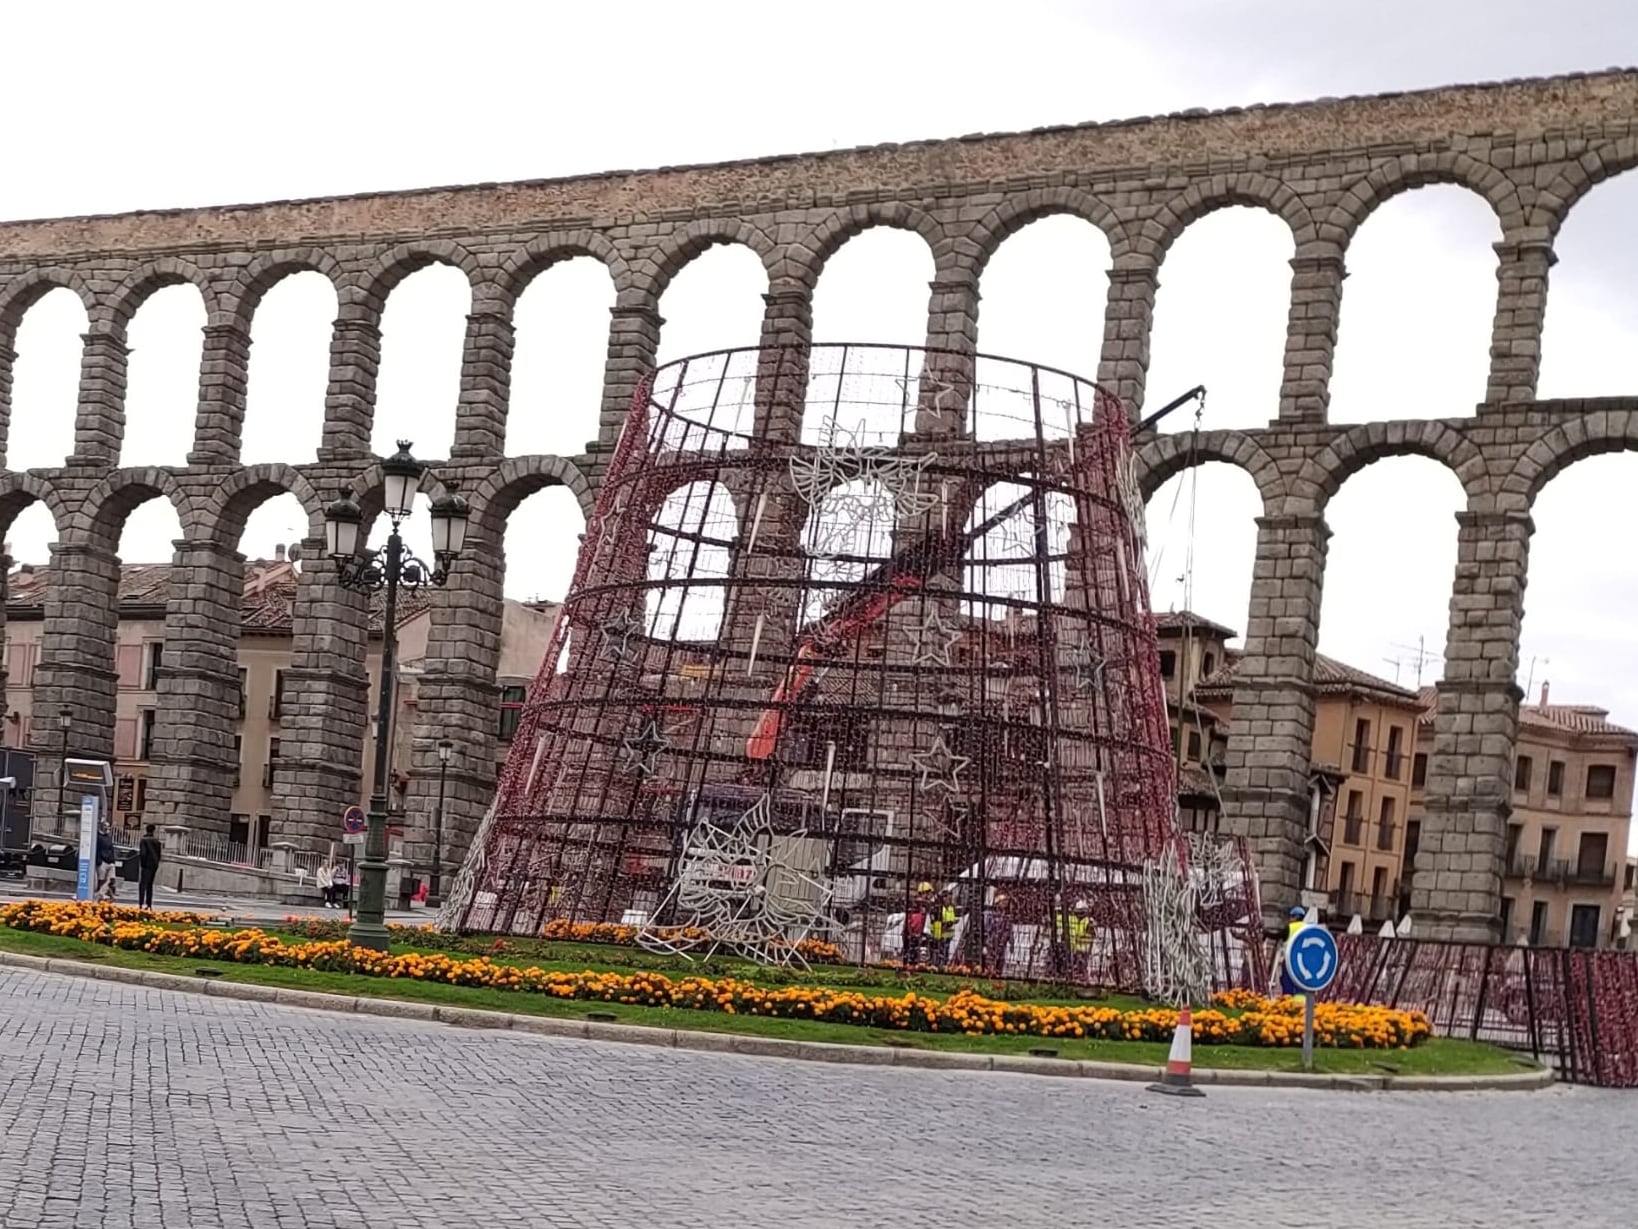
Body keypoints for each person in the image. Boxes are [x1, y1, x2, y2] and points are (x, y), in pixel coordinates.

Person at [1278, 905, 1307, 1000]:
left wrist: (1266, 933)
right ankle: (1300, 1003)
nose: (1290, 919)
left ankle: (1287, 1003)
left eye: (1291, 916)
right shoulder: (1307, 928)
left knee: (1287, 983)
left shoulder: (1289, 928)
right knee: (1300, 985)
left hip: (1289, 961)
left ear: (1296, 916)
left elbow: (1277, 936)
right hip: (1302, 962)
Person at [137, 824, 163, 910]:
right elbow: (159, 854)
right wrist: (156, 863)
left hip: (146, 865)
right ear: (153, 830)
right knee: (150, 885)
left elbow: (143, 854)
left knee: (143, 884)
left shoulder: (144, 840)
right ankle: (149, 904)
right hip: (154, 865)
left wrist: (142, 864)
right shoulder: (157, 841)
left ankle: (141, 903)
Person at [94, 823, 118, 902]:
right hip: (102, 861)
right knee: (102, 880)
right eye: (106, 826)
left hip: (110, 861)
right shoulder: (97, 837)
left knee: (111, 879)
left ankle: (103, 895)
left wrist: (113, 860)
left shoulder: (108, 836)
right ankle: (103, 896)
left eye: (108, 826)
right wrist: (99, 861)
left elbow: (111, 849)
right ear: (102, 827)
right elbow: (97, 849)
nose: (108, 827)